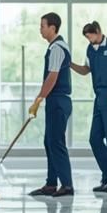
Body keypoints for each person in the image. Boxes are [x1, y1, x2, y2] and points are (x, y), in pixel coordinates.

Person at [68, 21, 107, 194]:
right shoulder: (90, 49)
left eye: (91, 36)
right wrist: (70, 64)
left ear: (98, 32)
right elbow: (86, 70)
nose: (89, 40)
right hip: (99, 98)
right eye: (87, 37)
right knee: (94, 138)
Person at [29, 12, 74, 197]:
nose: (40, 29)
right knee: (49, 141)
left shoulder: (57, 48)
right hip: (54, 100)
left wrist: (39, 99)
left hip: (58, 100)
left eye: (42, 26)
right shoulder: (54, 47)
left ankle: (67, 185)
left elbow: (52, 77)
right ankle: (51, 184)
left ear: (52, 28)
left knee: (56, 142)